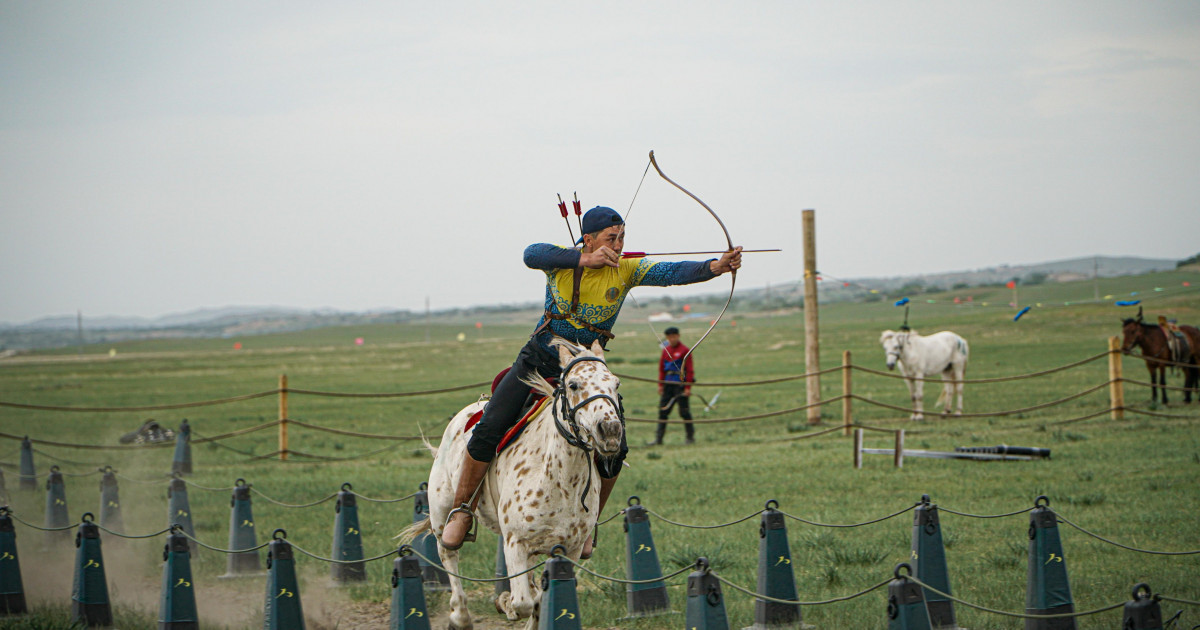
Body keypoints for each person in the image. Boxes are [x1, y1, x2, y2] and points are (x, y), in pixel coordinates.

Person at [441, 206, 742, 553]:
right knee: (490, 425)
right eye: (611, 238)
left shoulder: (627, 269)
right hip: (540, 360)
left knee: (616, 447)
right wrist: (583, 261)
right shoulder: (560, 261)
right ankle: (462, 510)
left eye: (622, 237)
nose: (618, 244)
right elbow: (530, 254)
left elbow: (670, 271)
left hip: (586, 370)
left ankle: (588, 524)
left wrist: (716, 267)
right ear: (588, 239)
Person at [653, 326, 695, 445]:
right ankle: (658, 439)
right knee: (663, 411)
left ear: (678, 336)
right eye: (669, 337)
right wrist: (660, 385)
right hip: (667, 384)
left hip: (680, 385)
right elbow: (662, 369)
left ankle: (690, 437)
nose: (672, 339)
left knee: (684, 412)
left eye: (674, 336)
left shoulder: (685, 350)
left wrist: (688, 387)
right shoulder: (665, 350)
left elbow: (690, 370)